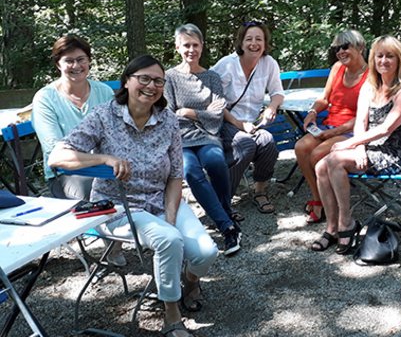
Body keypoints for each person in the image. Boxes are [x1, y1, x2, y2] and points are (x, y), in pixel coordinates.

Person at [48, 55, 218, 337]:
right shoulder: (104, 116)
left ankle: (189, 280)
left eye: (158, 81)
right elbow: (57, 156)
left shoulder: (168, 121)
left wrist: (171, 216)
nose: (151, 85)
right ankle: (172, 317)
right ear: (127, 82)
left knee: (206, 252)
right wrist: (102, 158)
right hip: (119, 208)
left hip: (161, 200)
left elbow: (176, 175)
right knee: (168, 239)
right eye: (144, 78)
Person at [312, 35, 401, 254]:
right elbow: (361, 121)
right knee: (320, 166)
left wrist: (349, 144)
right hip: (370, 148)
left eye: (390, 56)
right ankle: (332, 227)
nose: (384, 61)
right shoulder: (370, 86)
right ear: (373, 58)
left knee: (334, 159)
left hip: (394, 154)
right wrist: (359, 147)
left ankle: (346, 224)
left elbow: (385, 129)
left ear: (399, 60)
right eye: (379, 56)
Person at [164, 23, 241, 257]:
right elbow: (168, 113)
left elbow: (218, 113)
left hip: (208, 136)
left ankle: (223, 212)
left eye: (195, 45)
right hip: (180, 140)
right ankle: (226, 225)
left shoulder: (212, 78)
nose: (191, 50)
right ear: (178, 47)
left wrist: (190, 113)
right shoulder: (169, 78)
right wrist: (201, 112)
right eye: (186, 45)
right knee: (189, 170)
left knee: (216, 161)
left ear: (202, 47)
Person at [294, 30, 369, 224]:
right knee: (301, 147)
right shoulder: (337, 68)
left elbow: (365, 116)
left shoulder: (370, 76)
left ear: (360, 48)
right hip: (329, 124)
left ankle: (331, 207)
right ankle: (318, 199)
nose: (341, 52)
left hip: (352, 130)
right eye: (337, 48)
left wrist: (334, 132)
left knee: (316, 154)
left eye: (345, 47)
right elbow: (325, 99)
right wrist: (312, 113)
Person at [211, 21, 284, 214]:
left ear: (265, 42)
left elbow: (277, 92)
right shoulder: (227, 65)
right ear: (241, 43)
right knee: (245, 145)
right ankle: (223, 200)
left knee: (268, 143)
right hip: (226, 121)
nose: (254, 43)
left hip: (253, 123)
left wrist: (271, 107)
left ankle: (259, 192)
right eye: (249, 39)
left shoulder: (269, 63)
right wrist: (237, 123)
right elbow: (211, 98)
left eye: (258, 39)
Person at [32, 35, 114, 200]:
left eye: (81, 59)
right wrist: (102, 159)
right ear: (58, 64)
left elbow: (116, 135)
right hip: (66, 174)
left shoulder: (104, 92)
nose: (76, 66)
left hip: (105, 168)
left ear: (89, 61)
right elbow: (55, 152)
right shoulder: (45, 98)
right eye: (69, 61)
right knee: (97, 191)